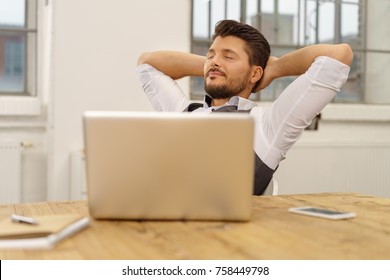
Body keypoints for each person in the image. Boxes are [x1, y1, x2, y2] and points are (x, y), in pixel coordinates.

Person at [136, 19, 353, 195]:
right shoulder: (183, 112)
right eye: (210, 54)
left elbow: (339, 56)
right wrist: (215, 67)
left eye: (229, 56)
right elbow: (148, 63)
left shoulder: (269, 126)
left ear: (256, 73)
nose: (215, 61)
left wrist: (275, 68)